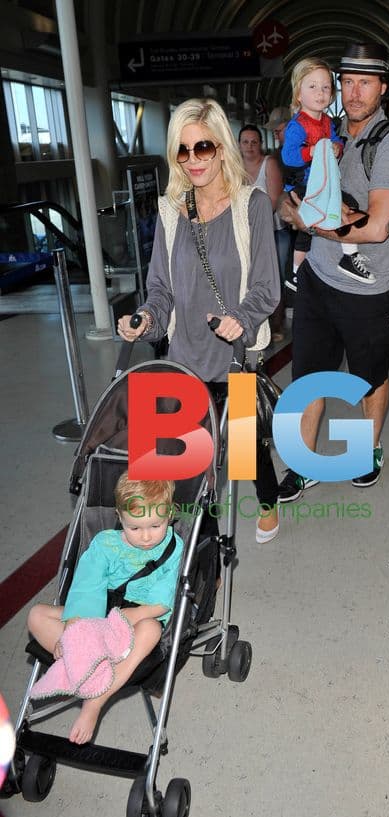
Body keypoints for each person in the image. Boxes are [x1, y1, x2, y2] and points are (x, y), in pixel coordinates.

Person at [118, 98, 281, 543]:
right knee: (188, 469)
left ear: (222, 147)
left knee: (247, 451)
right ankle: (199, 559)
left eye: (202, 148)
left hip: (235, 354)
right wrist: (145, 319)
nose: (192, 161)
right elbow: (161, 290)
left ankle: (267, 501)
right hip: (183, 357)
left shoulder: (253, 206)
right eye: (182, 151)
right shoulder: (171, 211)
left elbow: (267, 288)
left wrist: (240, 320)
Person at [278, 41, 389, 502]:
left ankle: (366, 451)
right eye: (347, 82)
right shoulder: (329, 132)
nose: (354, 92)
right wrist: (289, 206)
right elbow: (294, 191)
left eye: (365, 82)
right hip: (319, 276)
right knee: (308, 376)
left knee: (369, 376)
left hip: (368, 286)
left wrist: (312, 221)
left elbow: (376, 229)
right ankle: (302, 464)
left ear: (382, 88)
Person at [27, 475, 183, 744]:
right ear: (119, 517)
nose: (146, 537)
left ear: (170, 515)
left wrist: (129, 616)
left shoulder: (173, 548)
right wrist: (75, 630)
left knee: (152, 630)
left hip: (138, 619)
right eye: (135, 528)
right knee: (37, 614)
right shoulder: (104, 543)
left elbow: (162, 602)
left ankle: (95, 701)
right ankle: (83, 656)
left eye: (155, 525)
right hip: (96, 615)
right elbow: (87, 586)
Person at [281, 57, 375, 292]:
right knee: (336, 210)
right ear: (299, 94)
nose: (320, 93)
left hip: (322, 182)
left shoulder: (326, 121)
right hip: (304, 184)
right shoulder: (297, 125)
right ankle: (303, 270)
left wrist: (337, 147)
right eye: (312, 87)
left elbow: (334, 141)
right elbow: (288, 156)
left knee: (319, 223)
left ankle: (304, 270)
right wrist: (311, 151)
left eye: (325, 87)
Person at [238, 123, 285, 341]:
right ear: (239, 145)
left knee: (274, 279)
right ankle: (252, 326)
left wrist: (253, 227)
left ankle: (276, 326)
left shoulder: (270, 164)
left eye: (254, 142)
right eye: (245, 142)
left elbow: (273, 201)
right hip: (244, 236)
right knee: (248, 282)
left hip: (273, 233)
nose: (249, 146)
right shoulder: (234, 167)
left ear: (261, 144)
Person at [263, 107, 294, 318]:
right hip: (286, 221)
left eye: (278, 129)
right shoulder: (276, 156)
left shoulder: (295, 153)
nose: (275, 133)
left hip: (293, 222)